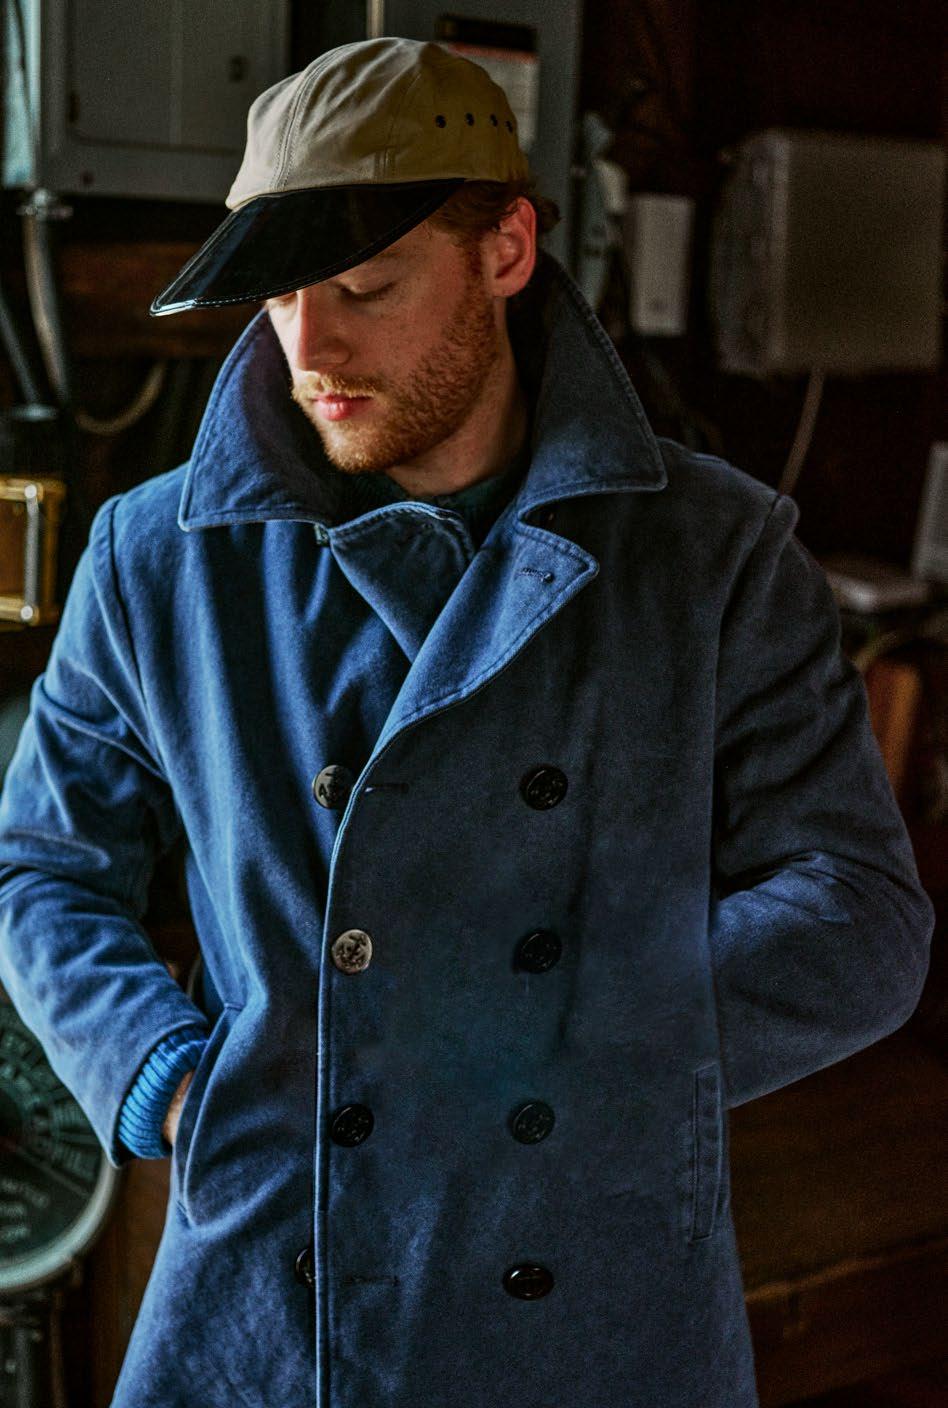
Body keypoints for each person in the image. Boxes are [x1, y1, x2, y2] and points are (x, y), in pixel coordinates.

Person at [0, 36, 934, 1408]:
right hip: (274, 1284)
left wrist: (560, 1047)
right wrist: (166, 1079)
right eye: (279, 296)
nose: (312, 347)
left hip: (594, 1287)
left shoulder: (715, 557)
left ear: (505, 250)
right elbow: (39, 871)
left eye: (364, 286)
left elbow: (860, 916)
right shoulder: (158, 559)